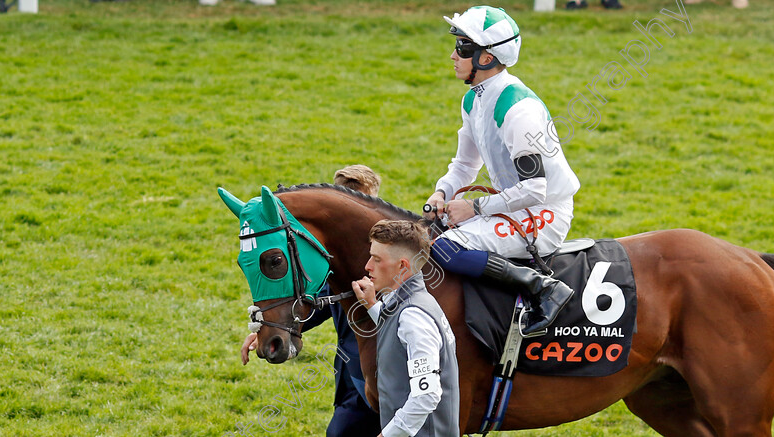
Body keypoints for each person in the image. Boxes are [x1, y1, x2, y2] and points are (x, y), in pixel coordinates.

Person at [424, 6, 580, 336]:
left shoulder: (517, 110)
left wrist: (473, 207)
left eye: (463, 48)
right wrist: (441, 193)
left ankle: (543, 288)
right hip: (517, 205)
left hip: (545, 211)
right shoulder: (473, 100)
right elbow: (465, 165)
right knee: (426, 233)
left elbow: (535, 190)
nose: (453, 55)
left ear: (486, 58)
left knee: (447, 248)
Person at [240, 164, 381, 437]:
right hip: (353, 380)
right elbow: (322, 303)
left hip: (388, 380)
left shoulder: (389, 259)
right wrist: (269, 327)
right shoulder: (335, 261)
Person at [352, 220, 459, 437]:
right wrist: (373, 307)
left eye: (377, 259)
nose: (368, 266)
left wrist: (389, 434)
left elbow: (427, 394)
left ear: (402, 266)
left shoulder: (414, 317)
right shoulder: (416, 302)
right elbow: (399, 334)